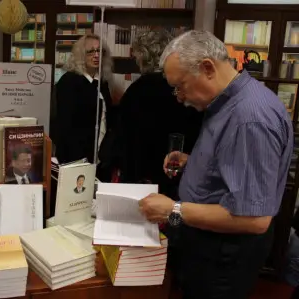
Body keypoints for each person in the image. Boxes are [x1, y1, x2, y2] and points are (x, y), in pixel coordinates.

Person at [138, 30, 293, 299]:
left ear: (207, 68)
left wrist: (173, 209)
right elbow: (235, 165)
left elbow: (254, 219)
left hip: (223, 256)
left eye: (181, 85)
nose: (179, 97)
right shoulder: (226, 102)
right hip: (206, 247)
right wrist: (195, 162)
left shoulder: (250, 118)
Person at [118, 29, 202, 194]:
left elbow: (125, 137)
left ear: (143, 56)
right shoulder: (185, 87)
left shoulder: (136, 91)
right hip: (180, 170)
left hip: (143, 174)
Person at [54, 33, 118, 181]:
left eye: (99, 51)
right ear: (81, 55)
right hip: (77, 159)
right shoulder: (69, 82)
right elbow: (65, 125)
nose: (96, 55)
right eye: (91, 51)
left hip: (101, 158)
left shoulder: (102, 83)